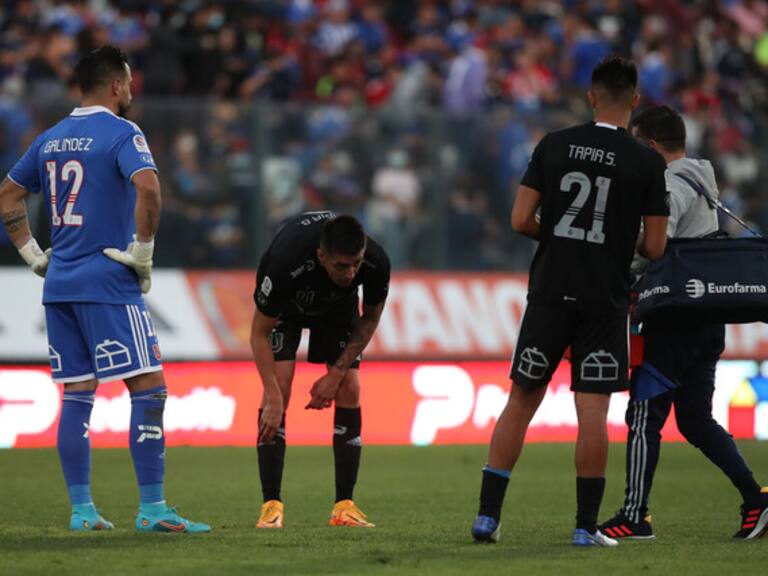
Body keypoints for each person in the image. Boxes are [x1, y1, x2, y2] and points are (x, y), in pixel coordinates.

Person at [0, 46, 209, 533]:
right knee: (150, 388)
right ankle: (153, 509)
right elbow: (149, 188)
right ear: (116, 85)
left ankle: (82, 511)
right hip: (109, 280)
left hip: (59, 285)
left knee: (77, 394)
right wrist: (143, 251)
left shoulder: (50, 138)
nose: (131, 90)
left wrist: (32, 253)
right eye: (129, 82)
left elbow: (8, 194)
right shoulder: (122, 132)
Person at [470, 55, 670, 547]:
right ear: (635, 100)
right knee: (592, 412)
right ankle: (584, 527)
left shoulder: (554, 144)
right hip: (605, 298)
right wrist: (610, 243)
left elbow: (520, 220)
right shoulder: (647, 162)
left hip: (550, 292)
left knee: (521, 400)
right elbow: (655, 247)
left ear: (591, 96)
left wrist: (562, 238)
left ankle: (487, 518)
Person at [599, 105, 768, 541]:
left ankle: (634, 515)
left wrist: (617, 260)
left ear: (652, 145)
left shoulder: (669, 183)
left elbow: (656, 243)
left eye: (637, 144)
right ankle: (756, 498)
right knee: (694, 419)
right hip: (706, 316)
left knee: (644, 415)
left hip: (675, 318)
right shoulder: (701, 177)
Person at [250, 210, 390, 529]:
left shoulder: (376, 261)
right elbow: (258, 333)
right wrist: (272, 397)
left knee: (350, 386)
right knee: (280, 386)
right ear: (321, 256)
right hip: (286, 309)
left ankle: (344, 507)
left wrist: (336, 374)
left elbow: (370, 318)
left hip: (337, 310)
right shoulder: (285, 261)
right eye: (342, 266)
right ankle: (271, 506)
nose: (351, 273)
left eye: (356, 263)